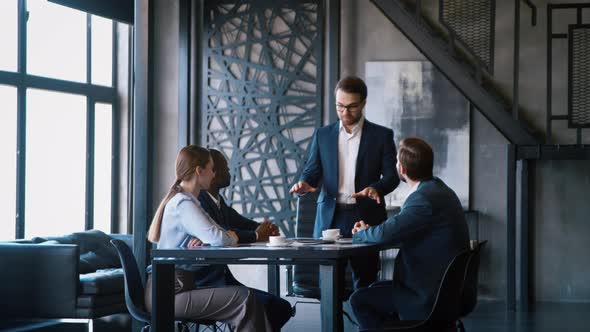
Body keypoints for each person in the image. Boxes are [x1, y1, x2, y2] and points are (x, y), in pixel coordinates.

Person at [145, 145, 273, 332]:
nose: (214, 174)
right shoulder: (183, 204)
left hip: (177, 288)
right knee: (244, 300)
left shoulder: (189, 201)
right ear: (200, 171)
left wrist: (214, 238)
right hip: (168, 294)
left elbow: (215, 236)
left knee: (247, 299)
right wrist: (226, 236)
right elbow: (220, 237)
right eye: (212, 169)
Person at [290, 76, 399, 289]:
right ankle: (332, 324)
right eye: (340, 106)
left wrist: (376, 188)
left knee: (366, 280)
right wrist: (303, 183)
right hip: (330, 218)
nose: (345, 113)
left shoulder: (382, 135)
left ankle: (364, 323)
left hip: (365, 217)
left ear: (363, 103)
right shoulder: (323, 135)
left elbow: (392, 176)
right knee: (328, 284)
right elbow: (312, 171)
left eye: (351, 107)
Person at [349, 137, 470, 329]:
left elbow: (384, 235)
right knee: (373, 289)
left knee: (359, 300)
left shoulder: (423, 199)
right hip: (443, 290)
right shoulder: (439, 190)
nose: (396, 164)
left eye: (397, 161)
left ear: (402, 169)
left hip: (426, 295)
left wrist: (362, 232)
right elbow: (398, 230)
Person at [185, 148, 293, 331]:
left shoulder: (217, 201)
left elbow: (240, 223)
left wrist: (265, 228)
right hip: (205, 283)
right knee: (273, 308)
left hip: (222, 280)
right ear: (213, 172)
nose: (229, 172)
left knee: (280, 308)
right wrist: (258, 234)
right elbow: (222, 234)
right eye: (225, 168)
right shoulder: (199, 202)